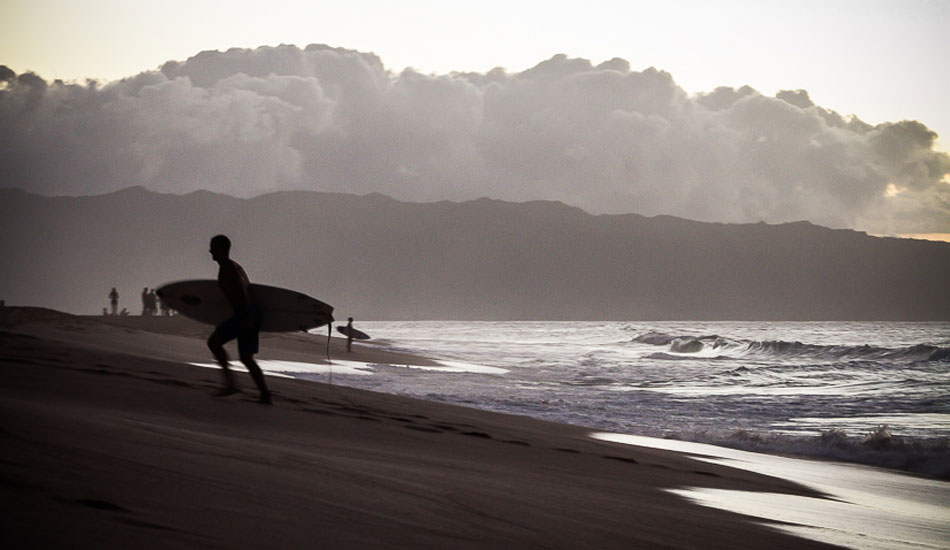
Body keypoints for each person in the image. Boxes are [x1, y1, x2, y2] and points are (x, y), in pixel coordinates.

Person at [206, 234, 271, 404]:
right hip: (252, 313)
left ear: (221, 249)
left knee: (214, 342)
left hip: (245, 314)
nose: (210, 250)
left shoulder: (227, 267)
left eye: (213, 247)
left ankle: (231, 384)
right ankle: (265, 394)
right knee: (246, 358)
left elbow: (242, 292)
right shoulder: (235, 266)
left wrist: (245, 315)